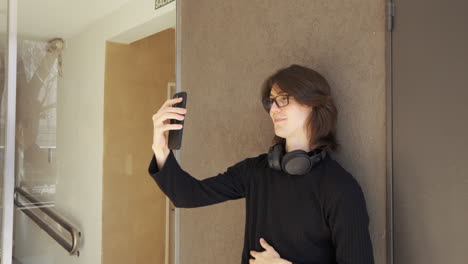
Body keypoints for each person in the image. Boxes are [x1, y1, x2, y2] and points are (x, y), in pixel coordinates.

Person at [148, 64, 375, 264]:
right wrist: (161, 149)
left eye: (284, 99)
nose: (273, 109)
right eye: (271, 102)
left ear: (313, 103)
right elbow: (187, 195)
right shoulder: (255, 171)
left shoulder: (340, 187)